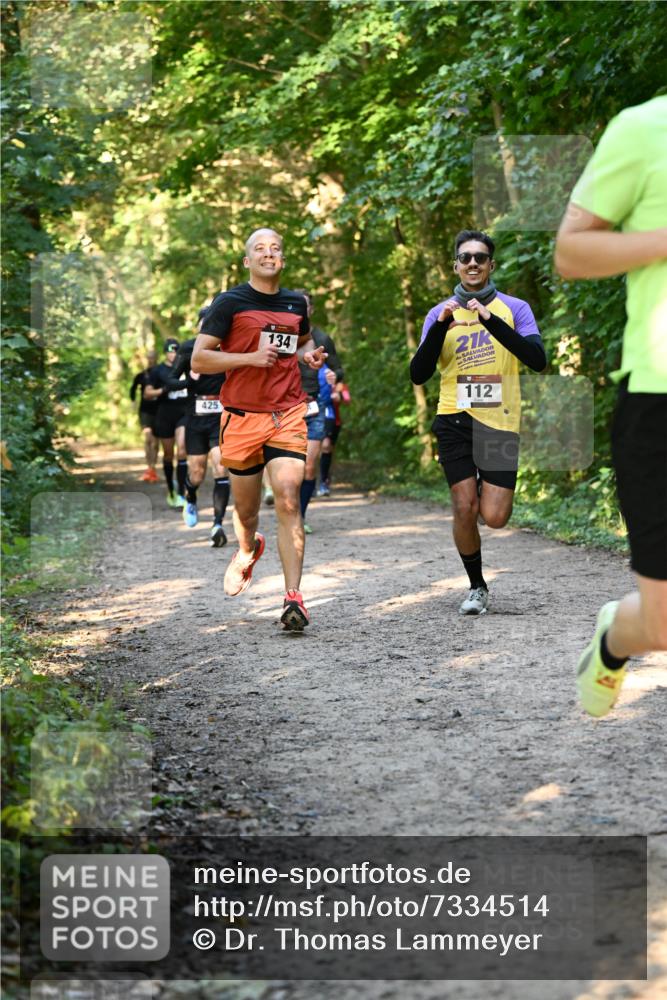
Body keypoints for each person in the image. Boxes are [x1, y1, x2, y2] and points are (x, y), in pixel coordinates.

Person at [554, 95, 667, 717]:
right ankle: (615, 638)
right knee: (662, 624)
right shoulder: (644, 128)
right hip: (658, 392)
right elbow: (571, 252)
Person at [191, 228, 326, 631]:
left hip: (287, 413)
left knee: (288, 500)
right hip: (242, 418)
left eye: (276, 248)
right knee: (247, 512)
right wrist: (249, 358)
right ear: (248, 261)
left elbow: (300, 343)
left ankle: (293, 597)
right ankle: (248, 549)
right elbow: (199, 359)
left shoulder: (295, 303)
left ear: (282, 259)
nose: (269, 253)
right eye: (260, 249)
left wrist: (309, 356)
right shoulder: (229, 302)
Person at [411, 230, 547, 615]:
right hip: (454, 418)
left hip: (499, 421)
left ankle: (485, 486)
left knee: (496, 517)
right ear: (455, 265)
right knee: (463, 505)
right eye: (465, 257)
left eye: (480, 257)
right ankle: (477, 586)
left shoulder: (514, 308)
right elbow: (418, 374)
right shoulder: (439, 314)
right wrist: (441, 325)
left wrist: (490, 321)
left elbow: (537, 360)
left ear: (491, 265)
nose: (473, 263)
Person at [169, 324, 231, 546]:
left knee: (221, 468)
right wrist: (190, 381)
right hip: (195, 419)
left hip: (219, 419)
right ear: (199, 328)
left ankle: (217, 524)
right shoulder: (189, 348)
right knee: (197, 473)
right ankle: (190, 496)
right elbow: (170, 381)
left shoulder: (228, 348)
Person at [294, 290, 344, 527]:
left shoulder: (322, 338)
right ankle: (288, 512)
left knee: (309, 466)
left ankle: (299, 517)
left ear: (311, 310)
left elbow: (338, 368)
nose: (301, 309)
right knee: (289, 468)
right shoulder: (282, 335)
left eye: (305, 305)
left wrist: (335, 375)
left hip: (314, 405)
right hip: (285, 406)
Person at [144, 339, 188, 508]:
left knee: (182, 450)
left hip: (183, 414)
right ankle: (171, 489)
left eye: (176, 351)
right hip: (165, 415)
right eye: (170, 351)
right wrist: (163, 390)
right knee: (168, 454)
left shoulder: (186, 367)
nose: (173, 355)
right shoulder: (158, 371)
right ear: (165, 353)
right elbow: (147, 393)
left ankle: (182, 492)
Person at [129, 349, 159, 482]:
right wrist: (133, 402)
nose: (151, 360)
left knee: (156, 443)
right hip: (145, 411)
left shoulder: (162, 374)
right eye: (149, 357)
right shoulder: (141, 375)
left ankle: (153, 468)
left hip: (159, 411)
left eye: (153, 357)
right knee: (148, 438)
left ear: (156, 358)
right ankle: (148, 468)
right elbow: (133, 388)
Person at [318, 379, 351, 496]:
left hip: (333, 422)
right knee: (318, 450)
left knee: (327, 449)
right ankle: (311, 482)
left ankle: (324, 481)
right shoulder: (312, 378)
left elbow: (347, 399)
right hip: (313, 419)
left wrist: (339, 396)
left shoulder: (339, 384)